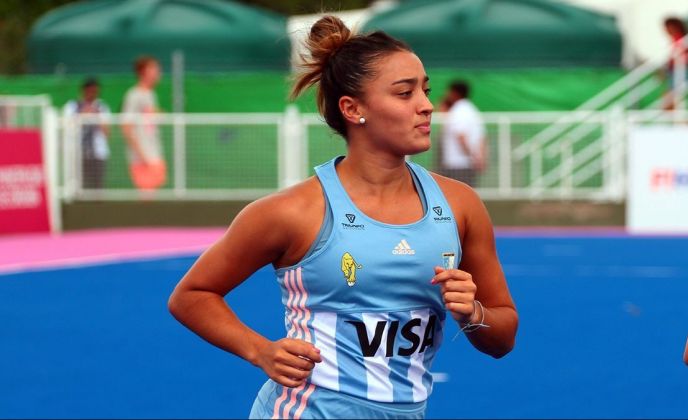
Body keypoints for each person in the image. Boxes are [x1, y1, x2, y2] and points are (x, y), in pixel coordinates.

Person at [168, 16, 517, 419]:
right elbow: (191, 295)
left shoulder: (460, 205)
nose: (426, 105)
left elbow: (503, 335)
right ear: (352, 109)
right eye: (404, 93)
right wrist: (260, 350)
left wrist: (472, 313)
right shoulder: (293, 212)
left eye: (425, 90)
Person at [121, 55, 166, 192]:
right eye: (154, 68)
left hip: (154, 154)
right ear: (143, 72)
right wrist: (143, 156)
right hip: (142, 159)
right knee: (147, 196)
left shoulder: (151, 95)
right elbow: (126, 128)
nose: (158, 72)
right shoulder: (134, 95)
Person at [63, 77, 111, 189]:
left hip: (97, 153)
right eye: (90, 91)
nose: (92, 94)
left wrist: (96, 117)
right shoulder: (72, 106)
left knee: (97, 186)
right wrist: (81, 115)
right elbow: (67, 129)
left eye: (95, 91)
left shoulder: (102, 107)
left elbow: (107, 132)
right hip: (78, 153)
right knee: (79, 186)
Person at [439, 81, 487, 187]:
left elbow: (461, 137)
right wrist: (479, 158)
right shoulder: (473, 110)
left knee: (454, 198)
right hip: (468, 164)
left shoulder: (458, 111)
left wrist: (472, 157)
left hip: (456, 164)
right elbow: (482, 137)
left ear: (455, 93)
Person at [662, 17, 688, 111]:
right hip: (675, 70)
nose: (666, 30)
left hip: (679, 70)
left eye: (667, 27)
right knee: (671, 96)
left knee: (673, 97)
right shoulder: (676, 39)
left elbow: (683, 55)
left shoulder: (680, 38)